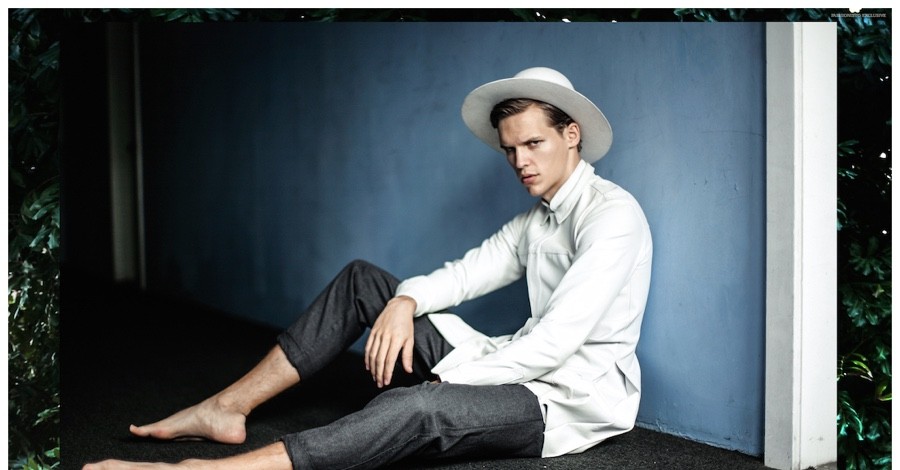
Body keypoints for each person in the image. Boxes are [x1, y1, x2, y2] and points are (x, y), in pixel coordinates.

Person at [83, 66, 653, 470]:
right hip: (515, 360)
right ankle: (226, 407)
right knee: (365, 282)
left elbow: (556, 345)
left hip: (566, 399)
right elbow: (463, 275)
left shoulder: (613, 217)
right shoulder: (536, 220)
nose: (519, 161)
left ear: (571, 135)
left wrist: (448, 381)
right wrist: (404, 301)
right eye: (509, 149)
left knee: (418, 406)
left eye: (532, 144)